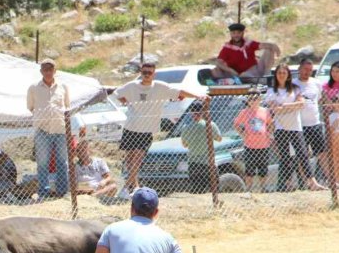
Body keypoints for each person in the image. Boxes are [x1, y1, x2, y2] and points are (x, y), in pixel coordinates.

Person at [114, 62, 198, 197]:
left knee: (138, 158)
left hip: (147, 128)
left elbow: (179, 92)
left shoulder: (160, 87)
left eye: (149, 72)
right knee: (130, 159)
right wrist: (125, 100)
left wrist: (199, 96)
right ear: (140, 72)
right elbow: (116, 93)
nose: (146, 75)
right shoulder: (132, 86)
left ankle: (126, 187)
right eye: (144, 72)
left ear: (154, 74)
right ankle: (134, 186)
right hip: (131, 126)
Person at [265, 63, 327, 192]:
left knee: (303, 154)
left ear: (288, 75)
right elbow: (274, 109)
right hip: (281, 127)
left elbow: (301, 104)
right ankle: (288, 183)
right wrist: (291, 106)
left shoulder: (295, 88)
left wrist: (284, 106)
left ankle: (312, 182)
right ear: (276, 75)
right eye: (279, 73)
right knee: (285, 156)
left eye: (284, 73)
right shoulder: (271, 91)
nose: (282, 75)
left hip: (296, 126)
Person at [27, 58, 70, 199]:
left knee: (62, 162)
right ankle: (44, 192)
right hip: (42, 130)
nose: (48, 72)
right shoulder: (33, 88)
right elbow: (30, 106)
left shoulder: (63, 86)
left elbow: (67, 106)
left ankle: (62, 191)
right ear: (41, 71)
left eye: (50, 69)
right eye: (45, 69)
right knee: (42, 162)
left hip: (60, 129)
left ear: (55, 71)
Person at [294, 59, 331, 185]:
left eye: (310, 70)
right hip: (299, 125)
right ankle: (306, 182)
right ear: (299, 68)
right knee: (302, 155)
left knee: (322, 153)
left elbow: (321, 100)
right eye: (305, 69)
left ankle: (331, 180)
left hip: (315, 123)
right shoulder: (293, 84)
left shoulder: (316, 83)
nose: (307, 72)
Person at [210, 23, 281, 81]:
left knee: (269, 49)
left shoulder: (248, 43)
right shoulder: (227, 48)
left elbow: (262, 45)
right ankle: (224, 86)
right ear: (231, 34)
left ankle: (267, 76)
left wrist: (273, 45)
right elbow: (218, 62)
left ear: (242, 33)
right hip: (239, 75)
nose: (236, 35)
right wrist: (231, 70)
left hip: (255, 70)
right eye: (234, 33)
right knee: (216, 70)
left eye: (238, 33)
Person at [179, 98, 222, 194]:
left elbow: (184, 144)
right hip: (208, 161)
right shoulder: (210, 125)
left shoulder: (186, 128)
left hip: (193, 162)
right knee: (214, 188)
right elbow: (219, 139)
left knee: (197, 190)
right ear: (202, 112)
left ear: (191, 113)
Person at [233, 93, 274, 192]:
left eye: (255, 98)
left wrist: (268, 133)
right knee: (249, 170)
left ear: (259, 99)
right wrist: (243, 134)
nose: (253, 101)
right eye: (250, 99)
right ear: (248, 101)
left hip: (263, 145)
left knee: (263, 169)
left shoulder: (265, 111)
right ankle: (249, 189)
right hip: (250, 145)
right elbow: (236, 124)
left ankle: (263, 188)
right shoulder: (244, 112)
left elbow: (271, 123)